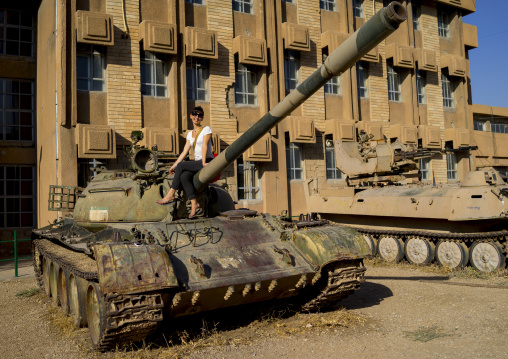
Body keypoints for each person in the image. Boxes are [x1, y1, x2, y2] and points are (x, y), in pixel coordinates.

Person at [156, 106, 214, 218]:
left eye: (200, 115)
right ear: (191, 116)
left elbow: (205, 146)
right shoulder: (189, 134)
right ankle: (194, 203)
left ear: (202, 117)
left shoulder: (206, 129)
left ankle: (171, 194)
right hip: (198, 162)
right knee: (184, 176)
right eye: (195, 114)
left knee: (182, 166)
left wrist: (203, 163)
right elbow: (184, 152)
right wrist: (173, 166)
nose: (197, 117)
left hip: (206, 161)